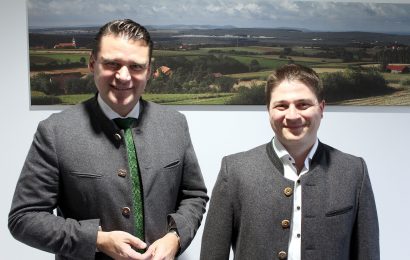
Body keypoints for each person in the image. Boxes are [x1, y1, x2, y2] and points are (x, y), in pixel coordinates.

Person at [9, 19, 208, 260]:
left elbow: (194, 196)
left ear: (148, 70)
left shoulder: (175, 123)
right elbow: (24, 218)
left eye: (136, 66)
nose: (124, 77)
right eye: (112, 64)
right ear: (93, 64)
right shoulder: (54, 131)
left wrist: (175, 236)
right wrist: (95, 239)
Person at [200, 64, 379, 260]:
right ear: (268, 110)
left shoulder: (354, 171)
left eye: (303, 104)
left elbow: (367, 253)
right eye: (281, 105)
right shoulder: (234, 171)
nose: (292, 115)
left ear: (321, 108)